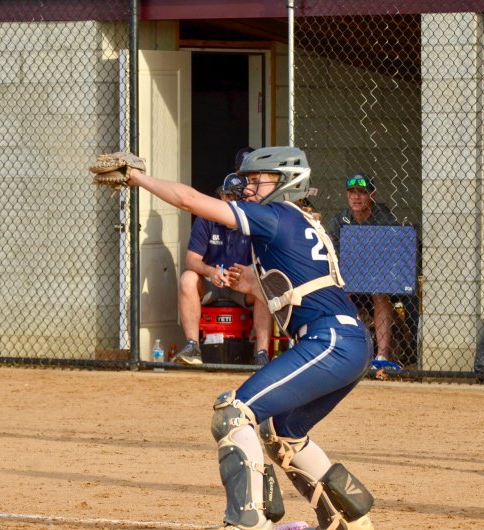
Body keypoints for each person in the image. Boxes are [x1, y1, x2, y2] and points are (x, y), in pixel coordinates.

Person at [118, 146, 376, 529]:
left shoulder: (275, 215)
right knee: (280, 433)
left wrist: (136, 179)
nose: (251, 188)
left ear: (287, 182)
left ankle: (248, 522)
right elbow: (284, 285)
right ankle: (349, 521)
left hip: (330, 340)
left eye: (259, 180)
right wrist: (250, 281)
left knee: (233, 412)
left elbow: (189, 200)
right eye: (250, 181)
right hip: (344, 340)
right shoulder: (299, 220)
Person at [174, 173, 272, 366]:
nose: (231, 202)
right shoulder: (207, 218)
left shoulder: (254, 220)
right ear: (221, 197)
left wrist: (246, 274)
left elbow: (266, 262)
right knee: (188, 278)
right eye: (228, 196)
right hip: (213, 281)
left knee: (264, 286)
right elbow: (191, 261)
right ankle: (192, 346)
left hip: (242, 284)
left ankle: (261, 354)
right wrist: (210, 271)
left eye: (237, 197)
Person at [326, 173, 399, 364]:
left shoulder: (383, 217)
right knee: (341, 292)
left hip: (377, 275)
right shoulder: (341, 218)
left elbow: (393, 247)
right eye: (352, 192)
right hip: (348, 274)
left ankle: (381, 356)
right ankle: (349, 351)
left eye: (362, 193)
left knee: (380, 294)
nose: (356, 197)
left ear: (372, 195)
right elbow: (331, 249)